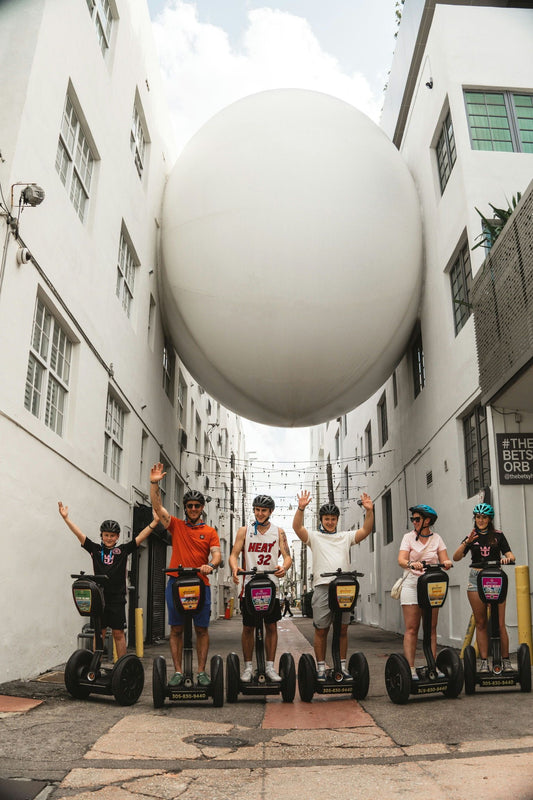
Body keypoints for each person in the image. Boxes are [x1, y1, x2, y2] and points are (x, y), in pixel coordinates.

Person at [150, 462, 221, 687]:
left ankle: (201, 671)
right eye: (189, 505)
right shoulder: (176, 525)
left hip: (200, 583)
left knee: (201, 629)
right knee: (177, 629)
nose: (193, 509)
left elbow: (217, 555)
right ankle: (178, 672)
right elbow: (158, 507)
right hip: (176, 583)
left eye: (197, 506)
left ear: (201, 508)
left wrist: (210, 565)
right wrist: (154, 483)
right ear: (185, 507)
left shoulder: (210, 532)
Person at [292, 490, 374, 681]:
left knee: (343, 629)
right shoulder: (314, 537)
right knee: (321, 629)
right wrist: (301, 508)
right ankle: (321, 667)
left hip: (344, 588)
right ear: (322, 520)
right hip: (322, 586)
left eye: (333, 519)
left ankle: (342, 666)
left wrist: (369, 511)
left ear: (337, 520)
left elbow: (366, 531)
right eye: (327, 519)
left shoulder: (345, 537)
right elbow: (297, 528)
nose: (330, 522)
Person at [58, 502, 157, 658]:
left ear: (117, 537)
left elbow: (140, 537)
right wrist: (66, 518)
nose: (109, 538)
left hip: (117, 599)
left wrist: (154, 522)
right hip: (99, 597)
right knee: (99, 633)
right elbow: (79, 534)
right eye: (106, 535)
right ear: (102, 536)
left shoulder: (123, 550)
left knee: (118, 633)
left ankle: (122, 667)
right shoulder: (95, 549)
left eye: (112, 535)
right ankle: (95, 665)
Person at [229, 495, 292, 682]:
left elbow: (287, 557)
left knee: (271, 626)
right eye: (257, 509)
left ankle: (270, 667)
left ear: (270, 512)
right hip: (249, 584)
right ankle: (248, 668)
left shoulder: (278, 532)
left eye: (263, 510)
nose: (259, 513)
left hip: (271, 584)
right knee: (248, 627)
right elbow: (233, 554)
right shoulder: (244, 530)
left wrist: (284, 567)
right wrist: (235, 568)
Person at [453, 502, 515, 673]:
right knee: (481, 623)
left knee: (500, 623)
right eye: (478, 517)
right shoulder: (472, 536)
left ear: (490, 519)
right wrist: (467, 542)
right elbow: (456, 557)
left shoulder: (498, 536)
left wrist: (506, 559)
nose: (481, 520)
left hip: (495, 578)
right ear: (475, 519)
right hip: (476, 578)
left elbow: (510, 554)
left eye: (484, 517)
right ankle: (483, 663)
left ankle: (506, 661)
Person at [398, 504, 452, 680]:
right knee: (412, 627)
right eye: (413, 519)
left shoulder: (437, 539)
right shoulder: (408, 538)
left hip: (431, 584)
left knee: (431, 628)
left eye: (417, 519)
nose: (414, 521)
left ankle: (432, 666)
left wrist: (447, 563)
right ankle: (410, 669)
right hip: (412, 583)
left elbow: (444, 559)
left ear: (427, 520)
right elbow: (401, 559)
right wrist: (410, 564)